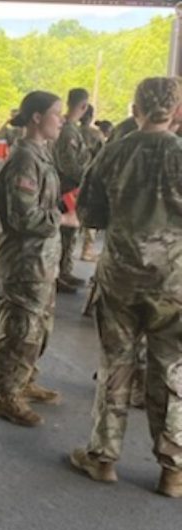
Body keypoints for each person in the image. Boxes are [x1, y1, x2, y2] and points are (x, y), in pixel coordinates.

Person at [70, 77, 182, 497]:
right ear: (176, 110)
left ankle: (103, 458)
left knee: (116, 363)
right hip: (173, 281)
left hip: (120, 276)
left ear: (136, 108)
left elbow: (90, 213)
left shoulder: (113, 152)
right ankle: (173, 470)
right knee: (170, 369)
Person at [0, 92, 68, 426]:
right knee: (21, 327)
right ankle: (7, 394)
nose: (61, 121)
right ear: (37, 117)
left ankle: (24, 380)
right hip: (25, 260)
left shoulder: (41, 155)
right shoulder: (25, 159)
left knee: (38, 326)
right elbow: (22, 217)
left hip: (42, 259)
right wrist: (61, 219)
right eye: (56, 114)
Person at [52, 87, 91, 293]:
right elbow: (68, 164)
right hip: (66, 188)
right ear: (84, 106)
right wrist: (87, 178)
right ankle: (58, 274)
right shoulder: (67, 131)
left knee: (70, 233)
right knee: (64, 233)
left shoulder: (70, 128)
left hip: (71, 188)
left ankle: (65, 270)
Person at [78, 104, 105, 263]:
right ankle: (87, 250)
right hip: (89, 178)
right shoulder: (96, 134)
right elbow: (102, 156)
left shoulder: (72, 132)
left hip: (69, 181)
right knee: (88, 216)